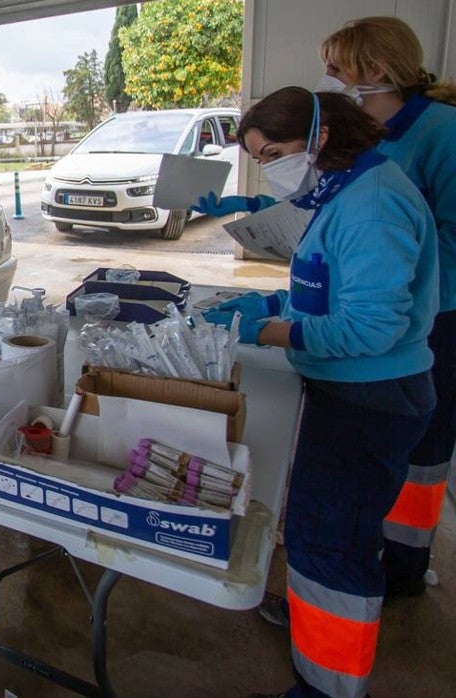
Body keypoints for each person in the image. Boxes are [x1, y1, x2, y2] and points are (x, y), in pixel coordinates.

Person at [202, 88, 438, 698]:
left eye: (276, 151)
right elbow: (335, 288)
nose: (273, 165)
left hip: (371, 399)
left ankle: (327, 687)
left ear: (322, 135)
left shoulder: (373, 206)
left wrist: (269, 331)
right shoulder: (347, 191)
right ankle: (321, 654)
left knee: (331, 544)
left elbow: (371, 326)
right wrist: (278, 302)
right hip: (355, 394)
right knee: (324, 534)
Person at [317, 16, 456, 601]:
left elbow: (441, 234)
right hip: (382, 309)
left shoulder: (441, 131)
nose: (330, 75)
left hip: (435, 318)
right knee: (373, 459)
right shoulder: (375, 130)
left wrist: (392, 284)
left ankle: (403, 564)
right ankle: (370, 544)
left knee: (421, 447)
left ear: (375, 68)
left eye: (338, 64)